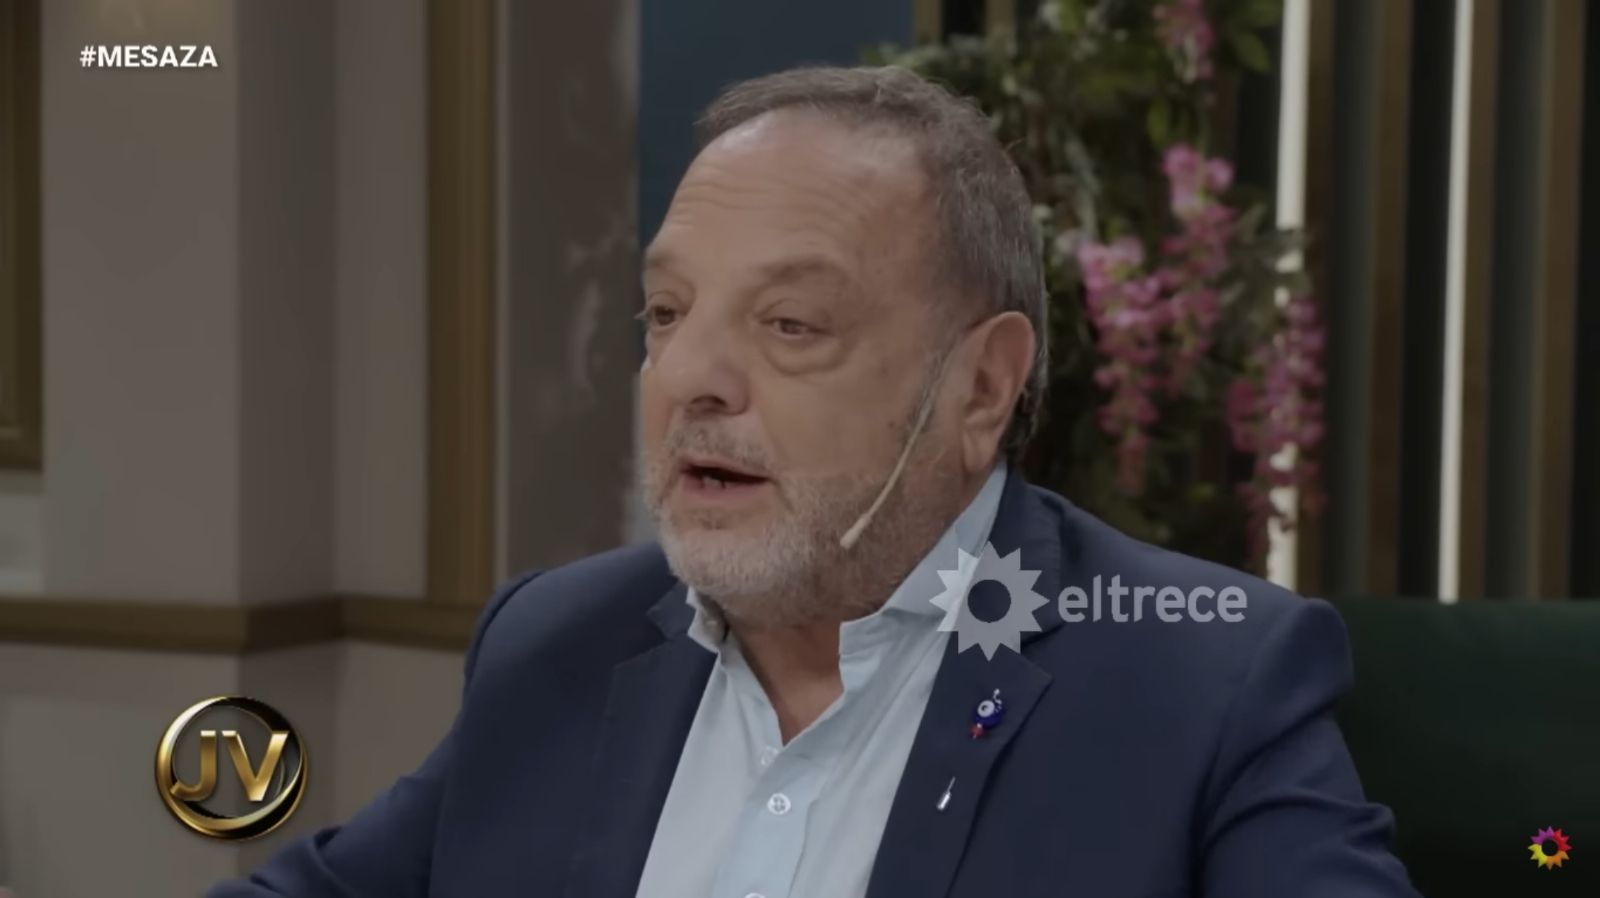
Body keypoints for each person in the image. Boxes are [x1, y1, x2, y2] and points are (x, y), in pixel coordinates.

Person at [212, 65, 1418, 898]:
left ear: (981, 388)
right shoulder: (554, 645)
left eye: (789, 324)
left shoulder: (1201, 681)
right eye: (666, 314)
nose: (691, 380)